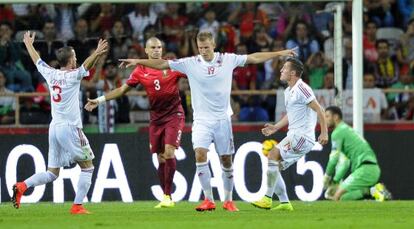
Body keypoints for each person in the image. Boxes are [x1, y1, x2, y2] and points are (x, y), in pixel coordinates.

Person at [119, 31, 296, 212]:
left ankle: (228, 200)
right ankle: (208, 199)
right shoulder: (190, 63)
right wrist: (138, 61)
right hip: (201, 120)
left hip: (222, 120)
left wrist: (279, 53)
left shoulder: (227, 59)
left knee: (226, 160)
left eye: (206, 47)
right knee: (200, 155)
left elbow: (254, 57)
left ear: (213, 45)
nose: (203, 51)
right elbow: (161, 63)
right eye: (200, 47)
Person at [12, 31, 108, 214]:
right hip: (70, 128)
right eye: (75, 58)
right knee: (88, 167)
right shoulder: (73, 76)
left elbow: (37, 61)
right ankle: (77, 206)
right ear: (71, 60)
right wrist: (97, 53)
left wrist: (29, 45)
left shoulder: (51, 74)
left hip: (54, 128)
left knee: (52, 173)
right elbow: (87, 65)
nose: (77, 60)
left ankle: (22, 186)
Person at [85, 37, 186, 208]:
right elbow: (122, 90)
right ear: (146, 51)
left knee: (169, 152)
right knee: (160, 157)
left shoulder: (172, 65)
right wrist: (100, 100)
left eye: (159, 47)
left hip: (174, 115)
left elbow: (196, 72)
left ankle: (168, 196)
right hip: (156, 118)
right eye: (153, 47)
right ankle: (166, 196)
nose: (157, 50)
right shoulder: (140, 70)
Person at [251, 57, 328, 211]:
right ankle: (285, 203)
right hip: (294, 135)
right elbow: (291, 114)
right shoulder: (288, 91)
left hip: (302, 137)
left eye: (284, 68)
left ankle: (267, 198)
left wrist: (324, 132)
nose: (281, 70)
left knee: (273, 154)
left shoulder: (302, 88)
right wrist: (275, 127)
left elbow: (319, 109)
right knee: (274, 165)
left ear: (293, 73)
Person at [322, 106, 391, 201]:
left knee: (337, 196)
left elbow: (333, 159)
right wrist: (335, 181)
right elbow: (345, 164)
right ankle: (373, 192)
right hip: (370, 168)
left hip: (365, 169)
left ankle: (372, 191)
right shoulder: (347, 130)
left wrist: (327, 177)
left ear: (336, 117)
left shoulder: (337, 133)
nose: (325, 120)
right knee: (343, 198)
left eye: (327, 116)